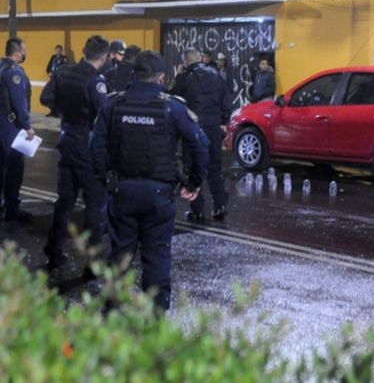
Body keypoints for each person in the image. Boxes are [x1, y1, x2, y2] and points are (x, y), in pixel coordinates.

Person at [91, 51, 209, 312]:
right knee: (156, 257)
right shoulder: (172, 106)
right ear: (162, 77)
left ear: (134, 75)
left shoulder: (113, 104)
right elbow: (201, 145)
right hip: (158, 195)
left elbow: (95, 147)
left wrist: (107, 179)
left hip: (122, 192)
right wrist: (193, 183)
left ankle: (112, 320)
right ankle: (154, 325)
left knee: (119, 257)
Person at [39, 35, 110, 270]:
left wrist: (64, 110)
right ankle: (92, 262)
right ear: (104, 56)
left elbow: (45, 97)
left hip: (66, 140)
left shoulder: (63, 72)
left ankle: (54, 250)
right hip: (86, 144)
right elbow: (104, 113)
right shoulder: (95, 80)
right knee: (94, 204)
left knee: (65, 201)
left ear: (83, 51)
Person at [170, 49, 230, 222]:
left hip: (194, 128)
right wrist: (223, 120)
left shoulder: (184, 77)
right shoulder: (216, 74)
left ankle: (197, 210)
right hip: (213, 127)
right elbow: (227, 99)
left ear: (186, 62)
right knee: (214, 168)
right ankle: (220, 206)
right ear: (199, 59)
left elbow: (173, 99)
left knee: (193, 168)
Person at [0, 37, 35, 222]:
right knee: (15, 165)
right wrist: (27, 125)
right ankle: (12, 208)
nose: (26, 52)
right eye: (24, 50)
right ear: (17, 53)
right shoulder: (14, 71)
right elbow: (19, 101)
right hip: (11, 123)